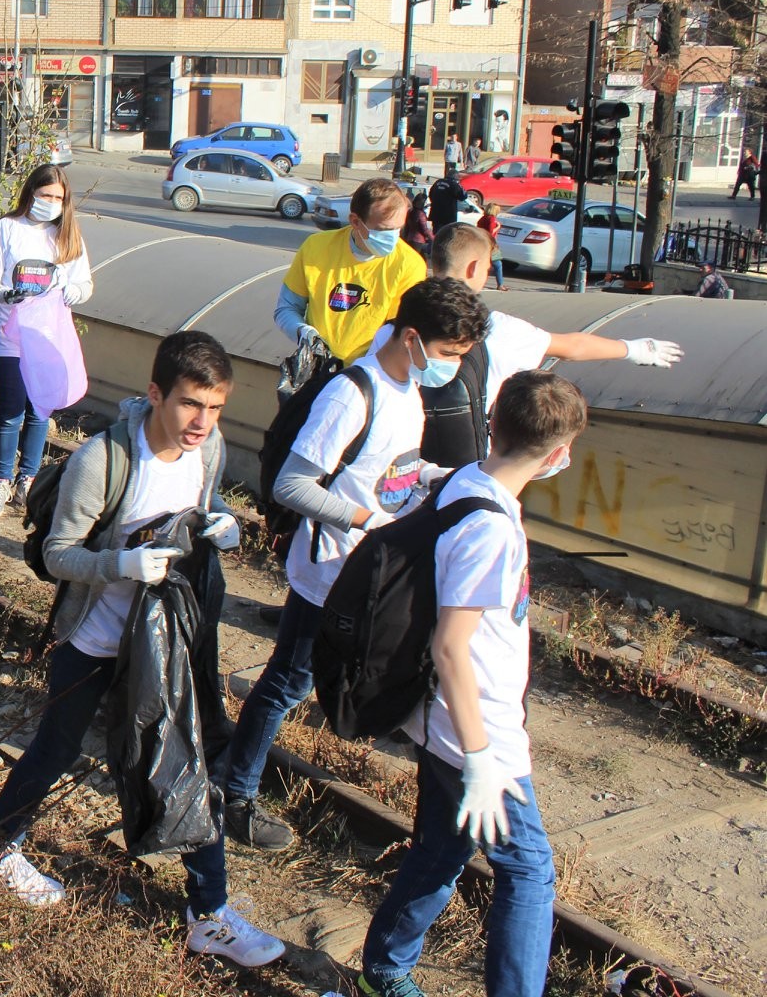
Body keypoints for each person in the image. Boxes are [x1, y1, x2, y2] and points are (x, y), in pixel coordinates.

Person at [0, 332, 284, 967]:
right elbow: (60, 555)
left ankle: (209, 911)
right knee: (56, 748)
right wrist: (122, 563)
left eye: (216, 407)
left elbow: (199, 504)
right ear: (154, 395)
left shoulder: (211, 448)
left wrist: (218, 520)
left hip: (166, 641)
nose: (203, 422)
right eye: (191, 404)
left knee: (186, 761)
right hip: (94, 638)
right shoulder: (104, 461)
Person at [224, 278, 490, 850]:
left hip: (371, 574)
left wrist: (433, 478)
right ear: (414, 337)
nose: (453, 368)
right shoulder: (352, 393)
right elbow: (294, 485)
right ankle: (235, 794)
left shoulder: (409, 387)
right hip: (330, 574)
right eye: (450, 355)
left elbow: (390, 467)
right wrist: (370, 521)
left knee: (339, 676)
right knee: (286, 684)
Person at [354, 371, 588, 997]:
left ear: (493, 426)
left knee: (442, 848)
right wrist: (483, 757)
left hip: (443, 721)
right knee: (529, 871)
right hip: (474, 728)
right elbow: (451, 645)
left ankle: (384, 969)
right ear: (560, 456)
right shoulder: (492, 530)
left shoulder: (468, 482)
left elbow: (414, 485)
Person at [427, 224, 680, 402]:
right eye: (487, 267)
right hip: (465, 463)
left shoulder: (399, 324)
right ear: (474, 268)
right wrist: (634, 349)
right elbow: (573, 347)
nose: (489, 274)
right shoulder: (499, 329)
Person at [0, 165, 93, 519]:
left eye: (58, 198)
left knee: (39, 410)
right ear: (31, 193)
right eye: (45, 195)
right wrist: (6, 294)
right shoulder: (8, 228)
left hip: (47, 336)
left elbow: (84, 286)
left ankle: (28, 479)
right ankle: (1, 480)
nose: (51, 203)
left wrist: (65, 289)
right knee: (11, 409)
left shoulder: (67, 236)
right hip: (10, 334)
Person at [276, 177, 426, 364]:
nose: (392, 238)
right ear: (355, 221)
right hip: (317, 369)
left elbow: (399, 335)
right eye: (383, 230)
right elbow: (286, 308)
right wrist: (303, 333)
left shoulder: (410, 265)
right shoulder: (316, 247)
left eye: (397, 229)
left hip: (371, 374)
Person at [476, 206, 506, 290]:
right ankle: (500, 285)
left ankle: (477, 282)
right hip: (491, 245)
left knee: (482, 264)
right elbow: (490, 232)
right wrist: (498, 227)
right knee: (498, 264)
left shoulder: (482, 219)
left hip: (481, 243)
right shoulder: (492, 219)